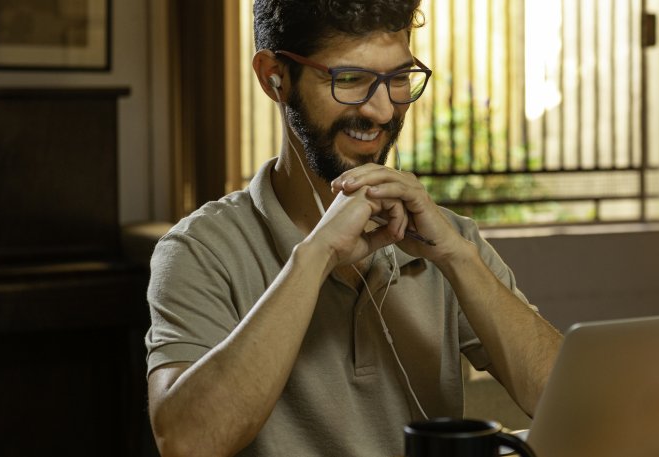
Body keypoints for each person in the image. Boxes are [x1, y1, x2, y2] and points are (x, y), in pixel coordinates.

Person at [144, 0, 563, 455]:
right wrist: (316, 255)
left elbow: (563, 403)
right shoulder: (199, 250)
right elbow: (185, 442)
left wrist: (459, 259)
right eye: (350, 80)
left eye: (399, 78)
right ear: (274, 77)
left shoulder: (446, 239)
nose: (383, 111)